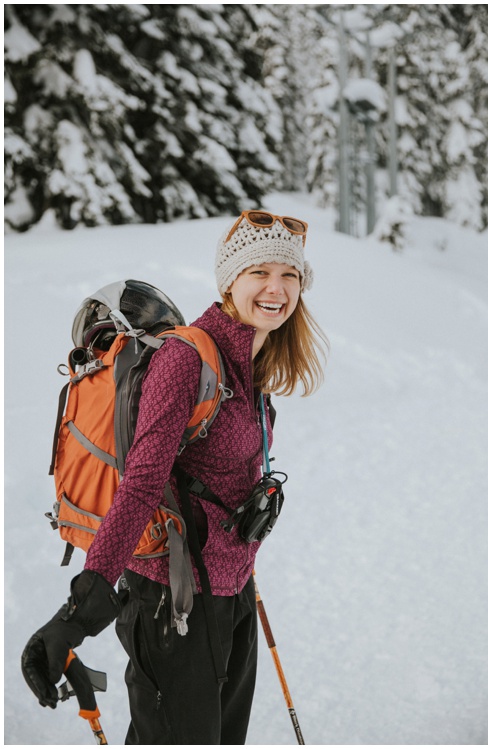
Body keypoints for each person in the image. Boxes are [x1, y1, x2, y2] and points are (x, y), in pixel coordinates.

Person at [21, 210, 327, 743]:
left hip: (232, 594)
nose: (276, 288)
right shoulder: (187, 358)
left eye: (290, 274)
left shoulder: (250, 362)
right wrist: (80, 610)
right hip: (172, 604)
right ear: (230, 280)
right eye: (260, 272)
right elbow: (140, 483)